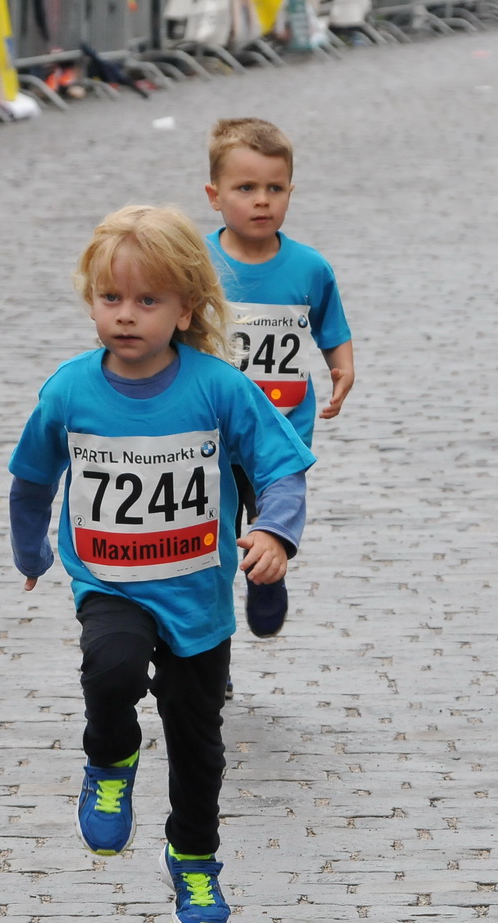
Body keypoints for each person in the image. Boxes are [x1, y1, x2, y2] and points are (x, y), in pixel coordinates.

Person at [8, 206, 315, 923]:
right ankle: (110, 758)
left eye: (148, 301)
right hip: (108, 579)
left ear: (185, 307)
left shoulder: (218, 388)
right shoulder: (70, 390)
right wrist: (30, 552)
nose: (126, 316)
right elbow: (30, 478)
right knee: (109, 668)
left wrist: (274, 531)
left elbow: (282, 469)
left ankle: (193, 855)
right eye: (110, 298)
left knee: (196, 741)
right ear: (89, 300)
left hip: (197, 596)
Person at [201, 118, 352, 641]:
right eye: (246, 188)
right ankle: (208, 649)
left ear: (290, 190)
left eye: (274, 188)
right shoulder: (197, 263)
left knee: (276, 509)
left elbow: (330, 325)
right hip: (212, 431)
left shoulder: (309, 267)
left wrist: (342, 366)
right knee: (213, 538)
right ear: (215, 195)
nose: (261, 201)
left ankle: (269, 567)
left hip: (283, 425)